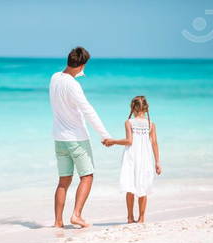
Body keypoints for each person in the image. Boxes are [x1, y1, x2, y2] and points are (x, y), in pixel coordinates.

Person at [49, 46, 112, 228]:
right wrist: (105, 135)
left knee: (63, 180)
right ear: (82, 65)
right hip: (76, 138)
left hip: (59, 139)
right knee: (87, 176)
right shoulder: (73, 85)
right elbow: (88, 110)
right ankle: (76, 215)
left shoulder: (54, 78)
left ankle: (58, 221)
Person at [103, 96, 162, 223]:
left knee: (130, 186)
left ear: (132, 108)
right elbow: (155, 143)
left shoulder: (129, 122)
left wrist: (113, 141)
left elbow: (129, 141)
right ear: (146, 109)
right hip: (145, 158)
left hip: (131, 157)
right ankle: (141, 218)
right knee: (143, 187)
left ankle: (130, 217)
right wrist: (157, 162)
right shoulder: (151, 124)